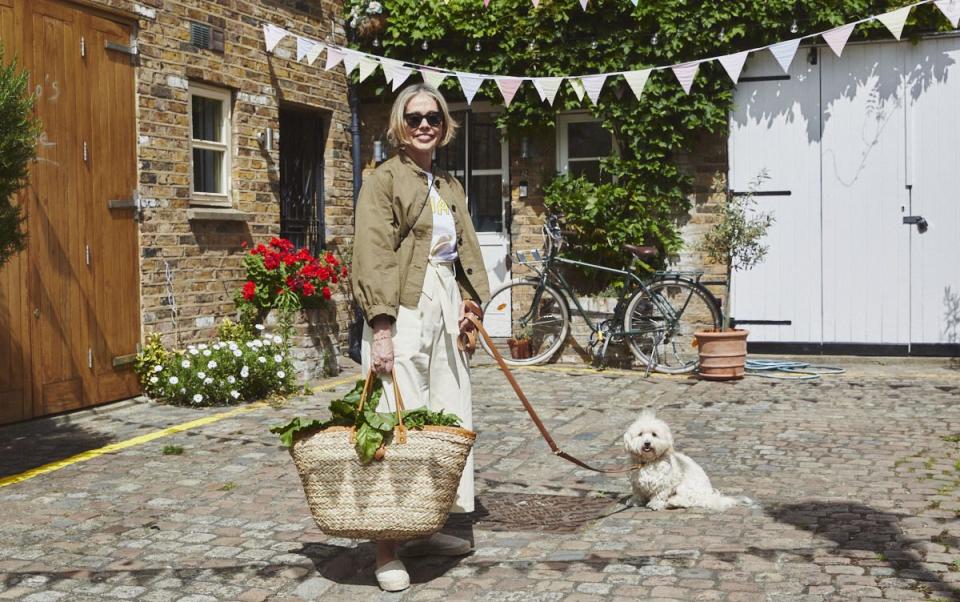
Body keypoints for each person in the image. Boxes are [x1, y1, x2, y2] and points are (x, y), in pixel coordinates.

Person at [351, 83, 490, 592]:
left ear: (444, 124)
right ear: (399, 124)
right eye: (414, 118)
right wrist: (382, 325)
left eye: (433, 116)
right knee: (397, 414)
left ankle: (426, 527)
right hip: (402, 306)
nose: (425, 124)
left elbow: (462, 251)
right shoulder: (383, 180)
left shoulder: (448, 183)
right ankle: (387, 545)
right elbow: (372, 253)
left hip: (444, 303)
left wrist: (470, 303)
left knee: (447, 414)